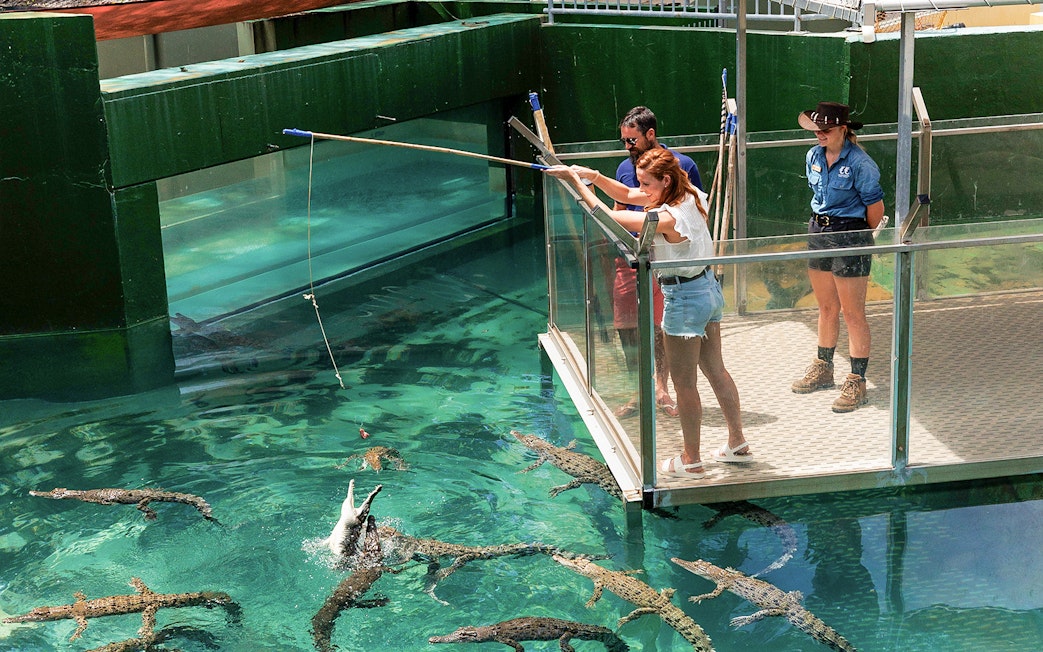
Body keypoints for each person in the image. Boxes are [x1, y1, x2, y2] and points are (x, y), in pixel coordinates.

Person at [547, 148, 752, 479]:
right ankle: (737, 443)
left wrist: (574, 181)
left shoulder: (668, 218)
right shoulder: (689, 194)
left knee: (685, 384)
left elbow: (604, 215)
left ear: (665, 180)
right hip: (708, 290)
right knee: (716, 370)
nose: (640, 190)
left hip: (685, 300)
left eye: (647, 183)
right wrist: (594, 177)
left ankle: (692, 460)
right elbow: (629, 195)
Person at [791, 101, 885, 413]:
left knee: (852, 311)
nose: (820, 134)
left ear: (843, 130)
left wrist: (860, 239)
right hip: (819, 230)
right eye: (816, 129)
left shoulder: (861, 164)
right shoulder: (813, 155)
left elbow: (876, 211)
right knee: (826, 306)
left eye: (826, 130)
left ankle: (857, 379)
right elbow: (817, 195)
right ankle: (824, 366)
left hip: (850, 232)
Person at [611, 106, 703, 418]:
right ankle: (639, 390)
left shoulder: (682, 165)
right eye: (624, 141)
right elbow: (620, 204)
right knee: (626, 322)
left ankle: (660, 388)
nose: (628, 147)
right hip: (630, 254)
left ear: (651, 134)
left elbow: (696, 214)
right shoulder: (626, 167)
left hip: (664, 256)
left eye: (632, 140)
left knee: (661, 324)